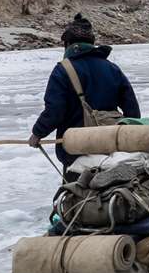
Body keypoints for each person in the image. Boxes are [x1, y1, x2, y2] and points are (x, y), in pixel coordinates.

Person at [29, 14, 141, 166]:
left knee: (76, 188)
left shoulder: (62, 70)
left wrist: (37, 133)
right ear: (92, 43)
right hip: (111, 146)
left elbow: (55, 111)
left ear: (67, 43)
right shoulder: (112, 68)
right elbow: (132, 110)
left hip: (77, 149)